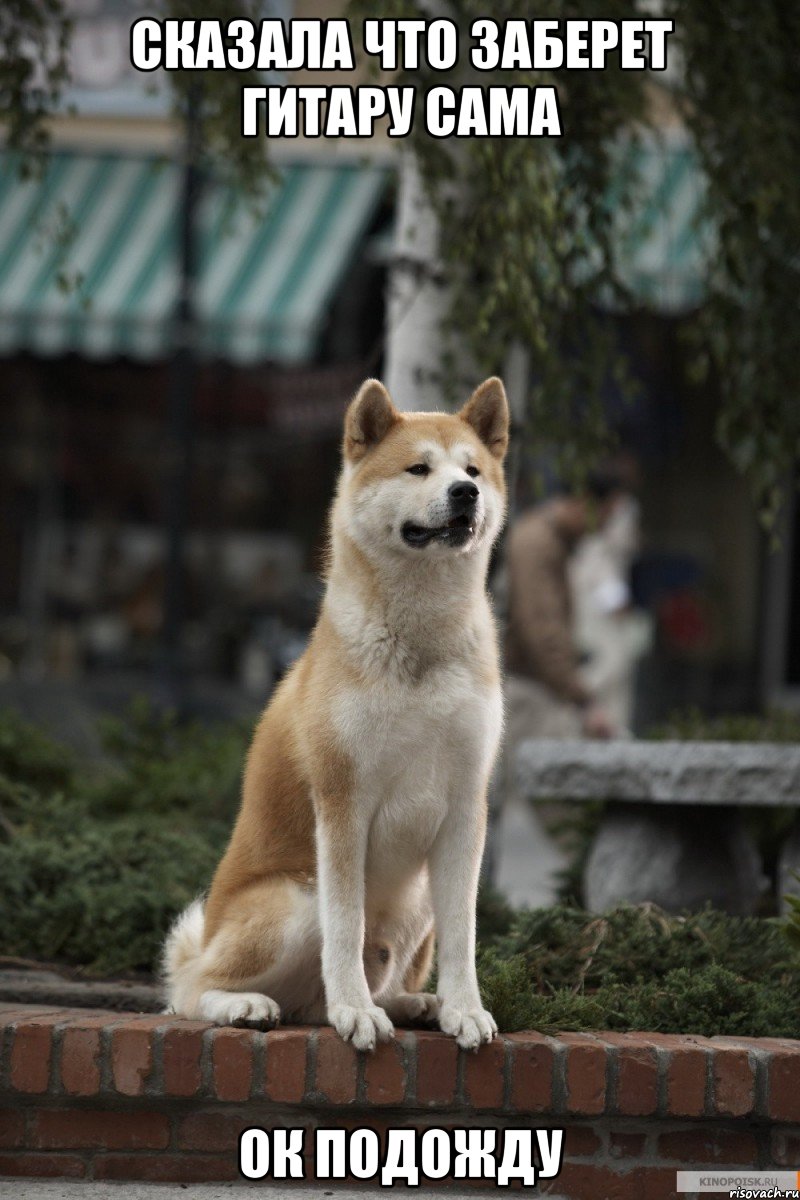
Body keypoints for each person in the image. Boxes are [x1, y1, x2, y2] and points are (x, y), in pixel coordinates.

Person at [504, 470, 627, 743]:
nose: (605, 527)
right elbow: (542, 630)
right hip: (527, 691)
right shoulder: (538, 544)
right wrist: (583, 701)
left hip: (537, 687)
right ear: (586, 502)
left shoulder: (551, 541)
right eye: (606, 515)